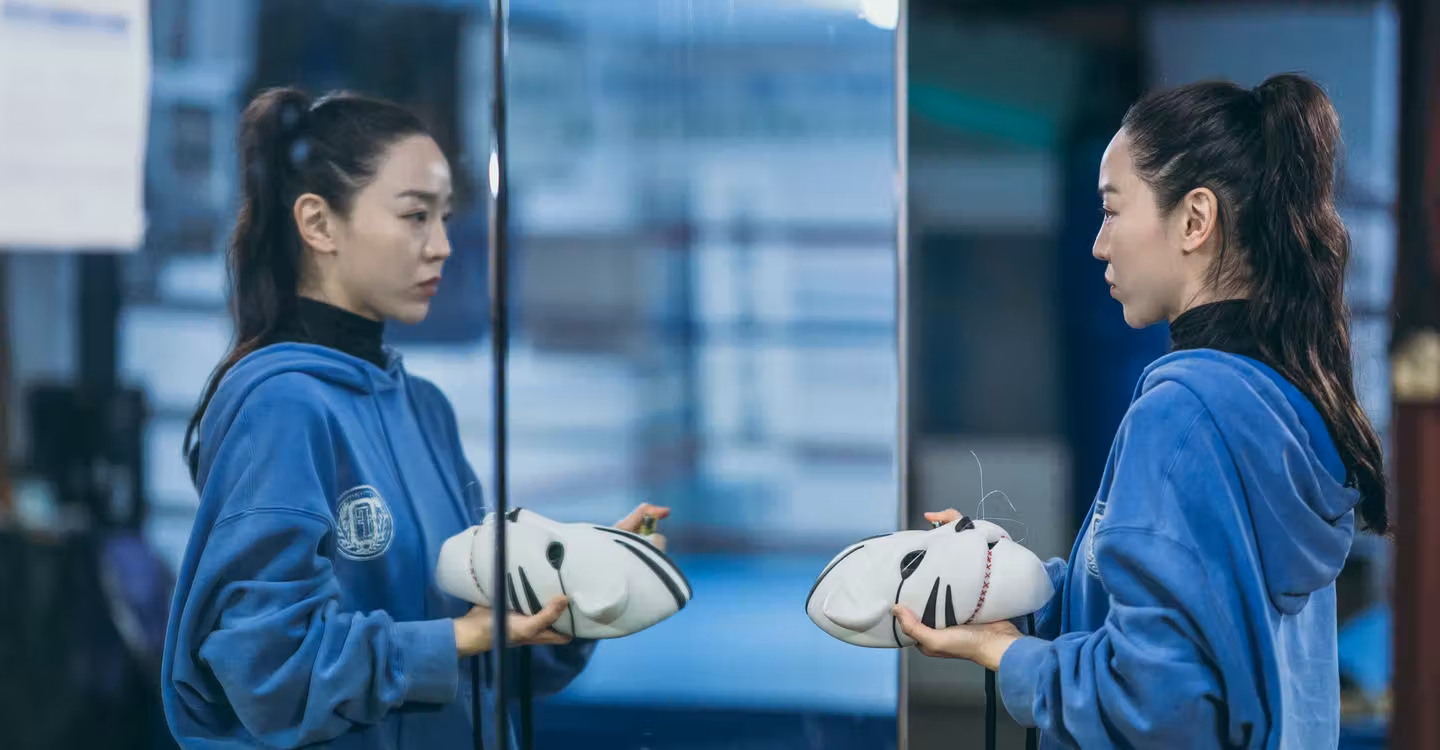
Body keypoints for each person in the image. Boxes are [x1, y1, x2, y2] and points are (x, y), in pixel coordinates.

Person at [160, 87, 670, 749]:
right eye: (415, 216)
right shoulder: (281, 409)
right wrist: (458, 639)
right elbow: (268, 670)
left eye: (445, 218)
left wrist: (579, 577)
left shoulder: (423, 407)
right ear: (318, 224)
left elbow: (489, 652)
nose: (442, 246)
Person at [893, 73, 1389, 749]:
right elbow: (1192, 628)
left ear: (1194, 220)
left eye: (1112, 210)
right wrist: (1012, 581)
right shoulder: (1282, 400)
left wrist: (1003, 653)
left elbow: (1157, 704)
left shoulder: (1182, 417)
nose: (1099, 243)